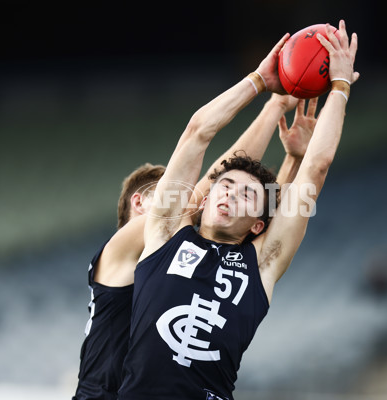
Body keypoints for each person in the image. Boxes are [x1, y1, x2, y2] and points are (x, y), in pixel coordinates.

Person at [117, 20, 359, 400]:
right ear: (206, 197)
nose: (229, 195)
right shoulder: (165, 231)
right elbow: (199, 131)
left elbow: (317, 166)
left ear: (260, 223)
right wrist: (260, 81)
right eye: (224, 186)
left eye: (246, 195)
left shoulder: (263, 261)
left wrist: (340, 87)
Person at [72, 91, 318, 400]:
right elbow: (214, 181)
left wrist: (292, 162)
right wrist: (274, 106)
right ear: (139, 201)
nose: (182, 203)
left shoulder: (170, 257)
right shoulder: (122, 248)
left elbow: (260, 225)